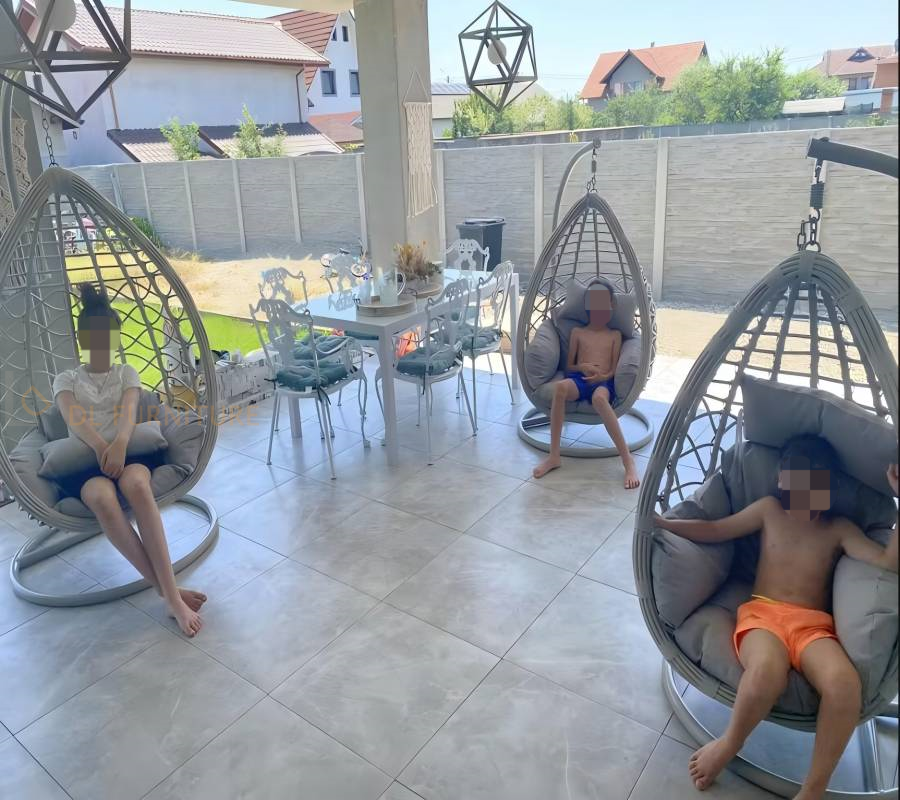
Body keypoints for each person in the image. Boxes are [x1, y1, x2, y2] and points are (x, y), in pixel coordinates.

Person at [654, 435, 899, 799]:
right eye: (799, 481)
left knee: (844, 684)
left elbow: (885, 562)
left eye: (816, 484)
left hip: (813, 626)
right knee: (767, 671)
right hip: (763, 617)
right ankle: (729, 743)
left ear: (829, 488)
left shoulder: (839, 528)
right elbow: (716, 529)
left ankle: (813, 788)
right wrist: (666, 524)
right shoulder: (770, 510)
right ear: (783, 480)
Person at [52, 284, 205, 637]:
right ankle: (170, 594)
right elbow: (75, 418)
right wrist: (100, 447)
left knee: (136, 483)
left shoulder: (126, 373)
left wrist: (120, 443)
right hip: (86, 463)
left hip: (131, 451)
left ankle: (171, 595)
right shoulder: (67, 379)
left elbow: (129, 412)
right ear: (83, 338)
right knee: (102, 496)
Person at [532, 281, 640, 489]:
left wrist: (602, 376)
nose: (599, 312)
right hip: (580, 378)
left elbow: (614, 369)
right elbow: (569, 366)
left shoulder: (614, 335)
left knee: (599, 398)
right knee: (560, 388)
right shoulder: (578, 332)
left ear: (612, 306)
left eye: (603, 306)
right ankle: (554, 456)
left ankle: (628, 461)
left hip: (603, 382)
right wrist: (583, 367)